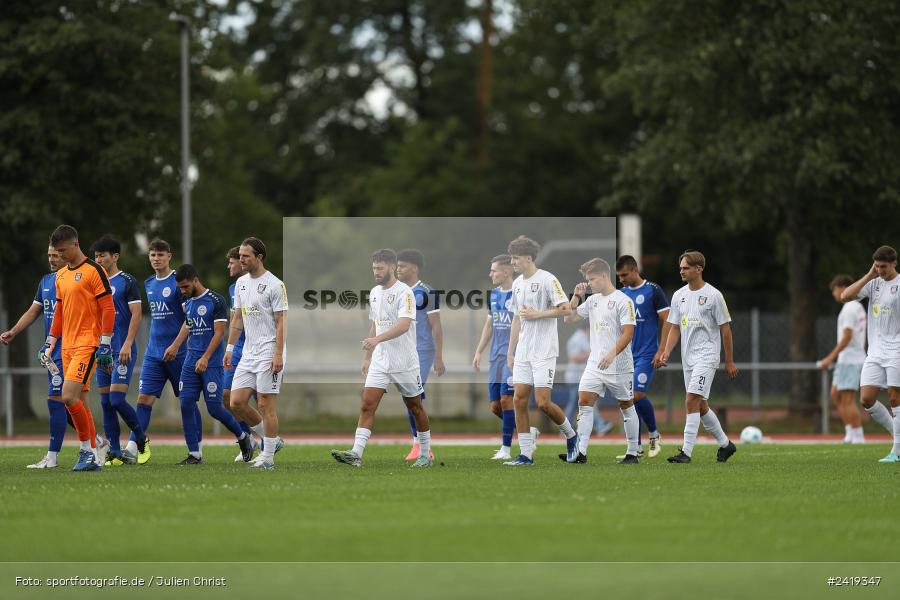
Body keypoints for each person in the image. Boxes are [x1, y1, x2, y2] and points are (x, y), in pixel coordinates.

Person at [1, 245, 103, 468]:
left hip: (76, 346)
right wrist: (15, 331)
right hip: (54, 349)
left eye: (56, 254)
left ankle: (57, 456)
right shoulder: (48, 281)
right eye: (49, 255)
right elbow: (33, 311)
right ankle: (94, 446)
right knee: (72, 402)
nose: (52, 258)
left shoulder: (82, 276)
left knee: (58, 399)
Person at [331, 249, 433, 468]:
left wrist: (377, 340)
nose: (376, 272)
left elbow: (404, 325)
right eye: (374, 268)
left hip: (404, 360)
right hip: (381, 359)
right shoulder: (375, 292)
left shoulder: (405, 292)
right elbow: (376, 323)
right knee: (367, 404)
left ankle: (425, 453)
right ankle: (356, 453)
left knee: (415, 406)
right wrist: (368, 356)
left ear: (392, 267)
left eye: (380, 268)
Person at [40, 225, 120, 471]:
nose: (60, 256)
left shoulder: (94, 271)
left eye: (63, 250)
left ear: (75, 244)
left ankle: (86, 451)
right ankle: (94, 455)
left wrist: (105, 342)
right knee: (81, 404)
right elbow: (60, 311)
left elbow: (108, 308)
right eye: (57, 251)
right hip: (67, 345)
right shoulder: (61, 275)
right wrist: (51, 340)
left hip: (88, 343)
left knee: (67, 396)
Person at [655, 250, 738, 464]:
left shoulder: (714, 295)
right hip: (687, 358)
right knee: (700, 405)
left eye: (685, 267)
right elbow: (674, 327)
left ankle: (686, 452)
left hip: (707, 356)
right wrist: (666, 351)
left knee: (691, 400)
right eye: (680, 267)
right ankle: (726, 445)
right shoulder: (678, 296)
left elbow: (725, 330)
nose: (681, 271)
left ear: (698, 269)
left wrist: (729, 360)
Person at [503, 236, 577, 466]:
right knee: (519, 400)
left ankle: (571, 436)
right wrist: (510, 351)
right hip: (524, 351)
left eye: (515, 258)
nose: (512, 262)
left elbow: (565, 310)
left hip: (544, 351)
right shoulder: (517, 284)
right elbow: (517, 318)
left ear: (528, 258)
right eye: (511, 258)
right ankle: (526, 454)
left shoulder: (547, 279)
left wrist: (538, 314)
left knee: (543, 402)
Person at [171, 265, 254, 465]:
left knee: (214, 409)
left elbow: (219, 333)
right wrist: (175, 345)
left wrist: (206, 358)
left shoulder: (216, 300)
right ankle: (195, 454)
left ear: (195, 280)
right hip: (191, 360)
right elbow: (189, 324)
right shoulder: (187, 301)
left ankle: (243, 437)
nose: (183, 291)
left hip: (212, 362)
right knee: (186, 404)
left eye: (185, 286)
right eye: (180, 288)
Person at [123, 238, 193, 463]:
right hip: (154, 353)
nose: (156, 259)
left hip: (178, 353)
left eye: (160, 255)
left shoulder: (178, 282)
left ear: (169, 256)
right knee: (143, 400)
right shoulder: (149, 283)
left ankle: (195, 452)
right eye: (152, 255)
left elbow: (190, 319)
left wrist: (176, 345)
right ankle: (133, 448)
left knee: (187, 401)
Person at [561, 258, 637, 463]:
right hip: (594, 364)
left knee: (626, 405)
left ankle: (632, 452)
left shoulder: (623, 301)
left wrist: (611, 354)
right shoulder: (592, 300)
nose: (590, 283)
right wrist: (576, 297)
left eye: (592, 279)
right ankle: (581, 452)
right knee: (584, 402)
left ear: (604, 276)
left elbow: (628, 333)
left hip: (619, 366)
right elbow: (568, 318)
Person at [225, 237, 287, 470]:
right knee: (237, 402)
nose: (241, 259)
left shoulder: (275, 284)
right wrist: (230, 348)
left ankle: (268, 457)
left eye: (245, 256)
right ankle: (273, 440)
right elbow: (237, 318)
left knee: (264, 404)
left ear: (259, 258)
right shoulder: (241, 283)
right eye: (240, 255)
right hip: (248, 353)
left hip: (269, 351)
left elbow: (281, 321)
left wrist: (278, 354)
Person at [90, 234, 149, 465]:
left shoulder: (127, 281)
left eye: (102, 256)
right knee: (105, 402)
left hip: (122, 349)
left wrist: (127, 343)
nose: (99, 260)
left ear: (115, 256)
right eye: (95, 256)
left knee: (116, 399)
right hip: (103, 350)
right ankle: (114, 450)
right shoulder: (95, 282)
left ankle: (141, 437)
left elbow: (136, 314)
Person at [840, 245, 900, 462]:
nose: (881, 270)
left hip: (896, 349)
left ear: (894, 263)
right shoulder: (873, 283)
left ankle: (897, 450)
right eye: (877, 266)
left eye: (884, 266)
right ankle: (898, 435)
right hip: (874, 352)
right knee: (866, 399)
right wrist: (868, 275)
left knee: (895, 397)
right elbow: (845, 296)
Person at [472, 254, 528, 460]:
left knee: (506, 400)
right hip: (495, 357)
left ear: (506, 271)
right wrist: (479, 351)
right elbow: (489, 325)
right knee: (495, 406)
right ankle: (527, 432)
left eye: (494, 270)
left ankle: (506, 449)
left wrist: (513, 353)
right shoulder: (494, 295)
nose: (490, 274)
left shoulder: (519, 293)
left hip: (511, 357)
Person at [615, 255, 670, 458]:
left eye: (624, 275)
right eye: (618, 276)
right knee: (628, 400)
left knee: (635, 394)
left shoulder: (653, 290)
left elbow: (667, 320)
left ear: (635, 269)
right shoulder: (620, 294)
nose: (621, 279)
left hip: (647, 354)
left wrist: (661, 349)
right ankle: (636, 447)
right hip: (626, 356)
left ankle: (654, 434)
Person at [396, 249, 444, 460]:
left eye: (403, 266)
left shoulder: (426, 292)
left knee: (414, 395)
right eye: (397, 266)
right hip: (403, 351)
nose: (398, 269)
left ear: (414, 268)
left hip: (423, 351)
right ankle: (417, 443)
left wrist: (439, 357)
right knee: (409, 397)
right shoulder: (396, 292)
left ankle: (422, 446)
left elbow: (436, 326)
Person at [818, 275, 866, 444]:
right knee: (836, 394)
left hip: (851, 358)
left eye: (834, 289)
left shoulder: (850, 308)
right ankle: (849, 432)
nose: (833, 294)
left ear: (844, 287)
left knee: (847, 398)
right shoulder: (856, 307)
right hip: (848, 358)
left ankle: (858, 435)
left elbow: (847, 337)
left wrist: (829, 358)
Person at [224, 246, 259, 461]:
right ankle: (248, 437)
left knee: (261, 400)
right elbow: (235, 319)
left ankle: (268, 442)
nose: (229, 265)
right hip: (238, 348)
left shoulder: (264, 284)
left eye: (232, 261)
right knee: (227, 396)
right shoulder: (233, 288)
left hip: (258, 347)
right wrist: (229, 347)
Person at [562, 321, 614, 438]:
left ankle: (565, 429)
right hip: (575, 376)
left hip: (580, 376)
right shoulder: (577, 338)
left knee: (575, 404)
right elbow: (573, 357)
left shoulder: (585, 337)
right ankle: (600, 425)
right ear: (587, 327)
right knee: (587, 402)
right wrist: (591, 355)